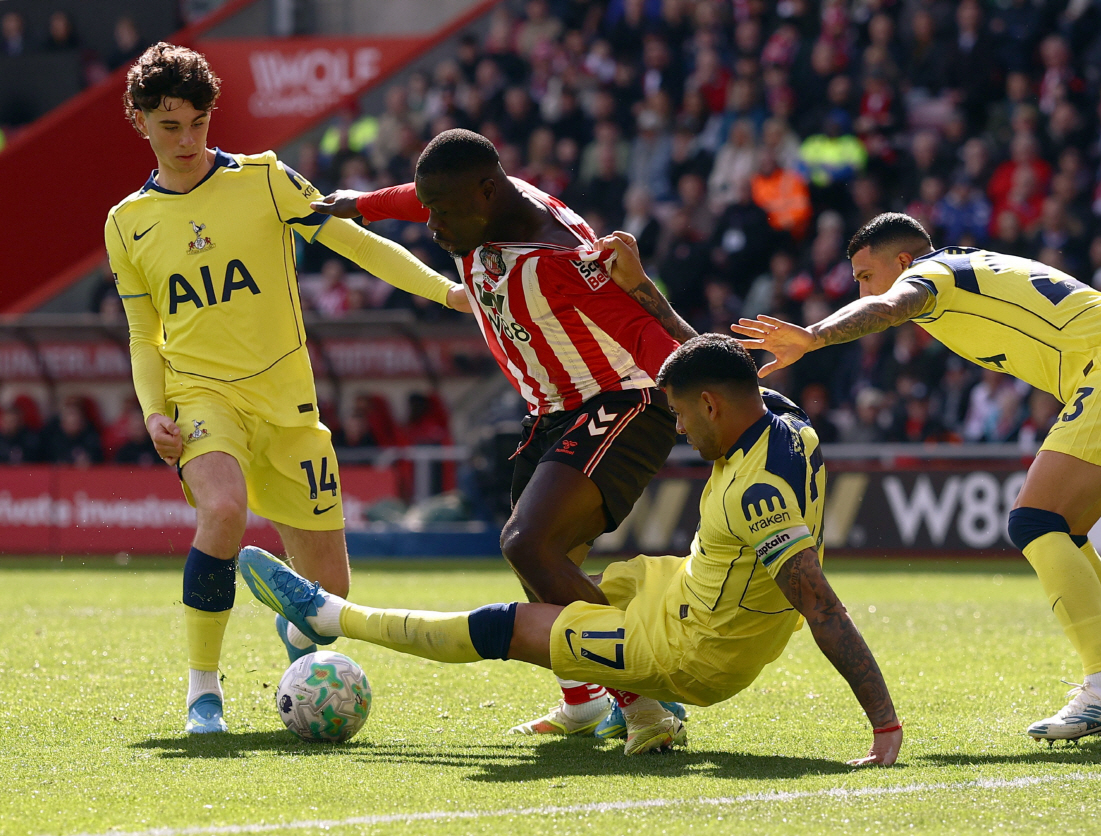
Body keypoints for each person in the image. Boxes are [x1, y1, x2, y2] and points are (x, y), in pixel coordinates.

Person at [239, 334, 903, 764]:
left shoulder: (758, 496)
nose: (677, 429)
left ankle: (330, 617)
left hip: (696, 654)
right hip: (684, 590)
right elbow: (732, 370)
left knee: (515, 626)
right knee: (564, 570)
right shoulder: (790, 425)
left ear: (711, 405)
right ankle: (631, 713)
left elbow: (821, 605)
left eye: (679, 415)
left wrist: (884, 729)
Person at [104, 44, 467, 734]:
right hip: (202, 396)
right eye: (170, 124)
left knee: (331, 598)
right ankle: (203, 693)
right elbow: (141, 334)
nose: (187, 140)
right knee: (223, 511)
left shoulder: (267, 180)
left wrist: (447, 293)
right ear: (141, 121)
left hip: (289, 405)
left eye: (198, 123)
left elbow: (356, 244)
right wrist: (155, 412)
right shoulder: (126, 223)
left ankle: (300, 643)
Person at [733, 212, 1101, 742]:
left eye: (864, 275)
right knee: (1059, 529)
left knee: (1034, 522)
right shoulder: (966, 268)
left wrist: (813, 336)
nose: (859, 287)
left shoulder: (932, 273)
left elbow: (888, 306)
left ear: (903, 261)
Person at [309, 129, 698, 748]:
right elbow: (420, 195)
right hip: (552, 409)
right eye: (428, 209)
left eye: (442, 212)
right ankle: (584, 703)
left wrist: (715, 398)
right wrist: (359, 204)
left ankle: (647, 702)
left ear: (487, 192)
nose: (431, 224)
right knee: (540, 563)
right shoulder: (476, 201)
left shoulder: (559, 259)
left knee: (528, 542)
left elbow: (648, 337)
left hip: (622, 400)